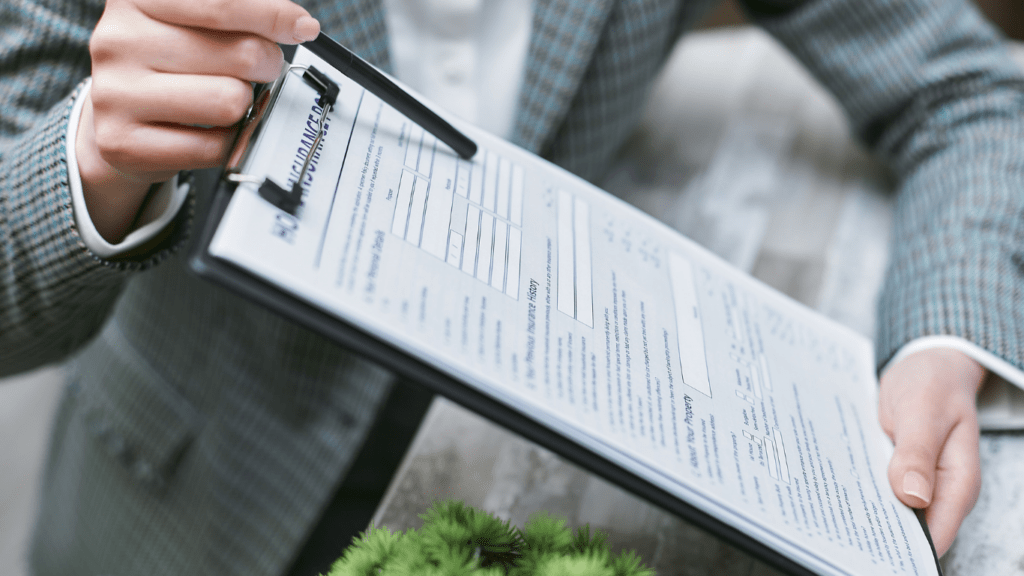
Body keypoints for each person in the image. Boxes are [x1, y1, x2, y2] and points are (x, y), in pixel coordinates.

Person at [0, 0, 1020, 574]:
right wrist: (96, 155)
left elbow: (964, 86)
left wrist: (940, 340)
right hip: (191, 502)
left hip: (527, 497)